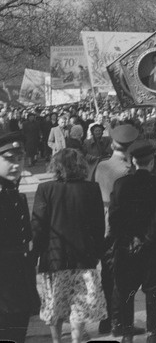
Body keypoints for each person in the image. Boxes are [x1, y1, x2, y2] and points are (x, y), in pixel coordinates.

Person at [31, 149, 107, 343]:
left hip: (54, 257)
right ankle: (76, 340)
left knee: (54, 304)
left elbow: (38, 226)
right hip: (84, 257)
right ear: (81, 165)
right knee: (79, 305)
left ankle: (56, 341)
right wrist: (98, 253)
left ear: (55, 166)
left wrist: (35, 254)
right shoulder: (92, 188)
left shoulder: (45, 189)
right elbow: (99, 225)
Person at [108, 140, 156, 343]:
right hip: (152, 245)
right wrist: (147, 239)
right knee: (152, 289)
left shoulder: (120, 184)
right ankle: (153, 333)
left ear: (133, 161)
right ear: (152, 162)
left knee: (127, 291)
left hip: (127, 245)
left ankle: (127, 335)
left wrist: (123, 239)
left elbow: (114, 218)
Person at [92, 123, 141, 337]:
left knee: (107, 275)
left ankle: (106, 319)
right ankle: (117, 322)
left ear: (112, 143)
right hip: (119, 227)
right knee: (120, 277)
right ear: (131, 147)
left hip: (100, 226)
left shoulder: (100, 165)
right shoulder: (127, 171)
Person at [0, 132, 40, 343]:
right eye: (8, 159)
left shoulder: (16, 195)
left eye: (19, 159)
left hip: (19, 279)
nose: (16, 165)